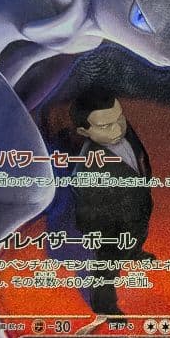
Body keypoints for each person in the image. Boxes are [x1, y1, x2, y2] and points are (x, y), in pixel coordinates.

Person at [70, 89, 153, 315]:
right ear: (83, 131)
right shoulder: (85, 170)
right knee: (107, 267)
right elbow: (88, 213)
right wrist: (104, 239)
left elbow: (140, 157)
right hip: (111, 230)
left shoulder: (123, 129)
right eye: (105, 126)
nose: (117, 129)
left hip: (138, 209)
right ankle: (104, 306)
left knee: (138, 236)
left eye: (120, 118)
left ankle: (135, 252)